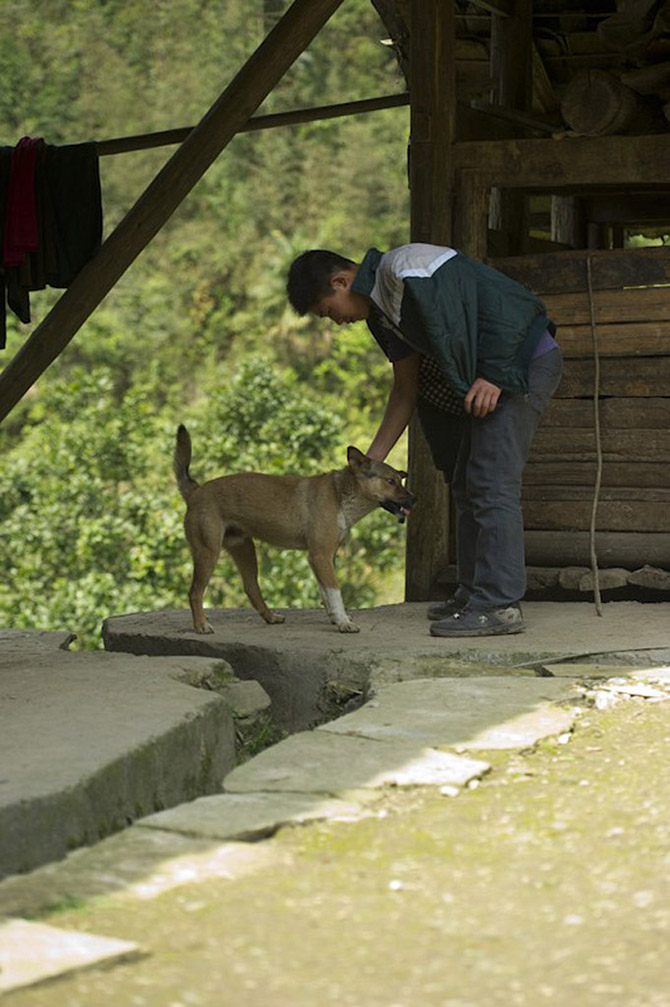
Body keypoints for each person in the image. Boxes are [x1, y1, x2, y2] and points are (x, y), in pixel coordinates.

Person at [286, 243, 563, 637]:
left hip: (521, 365)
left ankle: (499, 606)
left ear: (341, 282)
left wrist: (496, 374)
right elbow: (405, 391)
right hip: (491, 376)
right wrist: (368, 469)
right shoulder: (381, 316)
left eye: (329, 311)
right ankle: (474, 594)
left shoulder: (408, 270)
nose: (336, 322)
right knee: (467, 482)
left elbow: (517, 308)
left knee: (491, 481)